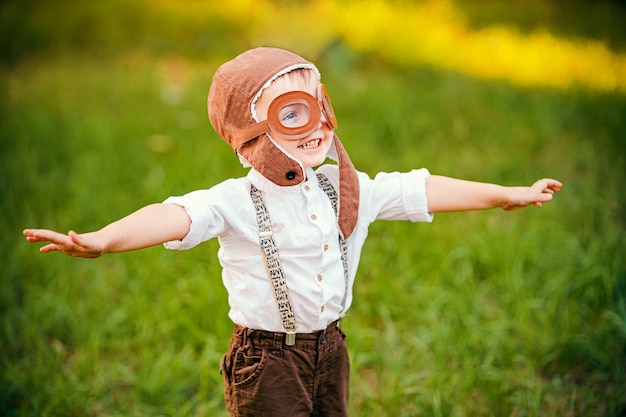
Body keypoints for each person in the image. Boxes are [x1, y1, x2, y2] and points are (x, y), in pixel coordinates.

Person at [23, 47, 562, 417]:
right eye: (293, 113)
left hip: (332, 349)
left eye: (319, 106)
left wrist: (506, 193)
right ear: (251, 133)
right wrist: (102, 239)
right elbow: (172, 215)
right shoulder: (234, 201)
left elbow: (421, 190)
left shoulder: (345, 188)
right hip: (268, 360)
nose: (318, 128)